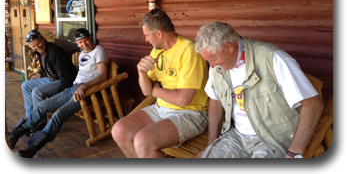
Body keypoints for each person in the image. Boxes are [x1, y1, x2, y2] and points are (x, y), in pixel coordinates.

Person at [194, 21, 324, 158]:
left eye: (213, 59)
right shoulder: (218, 67)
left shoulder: (273, 58)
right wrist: (211, 142)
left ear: (228, 47)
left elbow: (313, 104)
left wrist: (293, 153)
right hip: (236, 136)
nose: (212, 65)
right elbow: (215, 99)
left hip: (272, 139)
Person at [112, 9, 209, 158]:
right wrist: (141, 72)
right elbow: (146, 91)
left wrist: (155, 91)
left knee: (143, 141)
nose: (146, 40)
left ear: (158, 33)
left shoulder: (189, 50)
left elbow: (183, 99)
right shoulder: (157, 51)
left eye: (146, 35)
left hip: (191, 113)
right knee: (119, 130)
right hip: (161, 108)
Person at [10, 28, 110, 158]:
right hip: (74, 88)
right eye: (80, 42)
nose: (83, 44)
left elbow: (103, 76)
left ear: (90, 37)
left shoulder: (99, 51)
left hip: (87, 92)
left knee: (59, 114)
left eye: (85, 41)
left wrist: (84, 87)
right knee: (41, 107)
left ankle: (30, 149)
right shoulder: (82, 54)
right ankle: (14, 134)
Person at [9, 29, 77, 148]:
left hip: (63, 81)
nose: (36, 47)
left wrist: (59, 96)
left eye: (38, 43)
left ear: (43, 39)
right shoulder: (39, 51)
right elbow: (43, 63)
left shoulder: (55, 51)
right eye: (33, 46)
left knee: (37, 91)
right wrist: (40, 72)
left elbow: (66, 77)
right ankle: (31, 118)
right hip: (50, 78)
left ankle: (39, 122)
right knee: (26, 85)